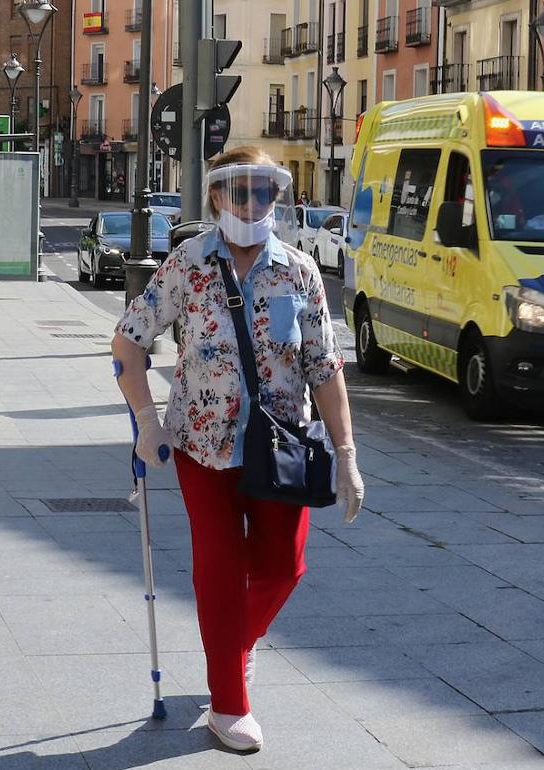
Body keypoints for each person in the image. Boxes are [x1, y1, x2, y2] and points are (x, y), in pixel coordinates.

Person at [111, 146, 364, 753]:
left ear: (277, 198)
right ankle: (229, 702)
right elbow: (127, 342)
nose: (251, 203)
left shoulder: (299, 271)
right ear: (217, 197)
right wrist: (148, 421)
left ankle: (237, 646)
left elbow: (323, 367)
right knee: (221, 569)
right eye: (238, 191)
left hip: (280, 449)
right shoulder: (188, 265)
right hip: (203, 444)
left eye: (264, 192)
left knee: (283, 566)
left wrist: (347, 453)